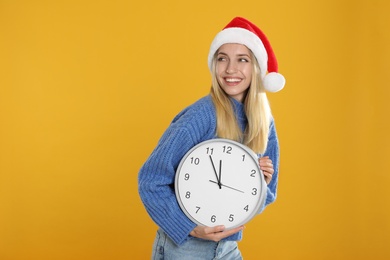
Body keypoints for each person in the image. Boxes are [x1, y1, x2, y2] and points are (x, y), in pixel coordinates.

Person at [138, 16, 285, 259]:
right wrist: (189, 228)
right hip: (185, 248)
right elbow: (151, 179)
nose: (230, 69)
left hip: (227, 248)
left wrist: (258, 184)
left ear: (256, 67)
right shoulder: (201, 116)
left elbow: (263, 198)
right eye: (222, 58)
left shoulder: (263, 123)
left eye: (242, 60)